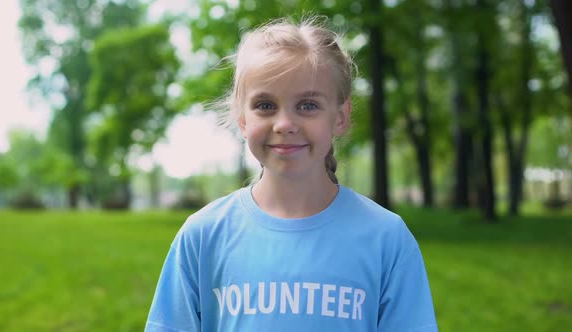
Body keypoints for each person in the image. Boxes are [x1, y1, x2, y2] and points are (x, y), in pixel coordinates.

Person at [145, 16, 437, 332]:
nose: (284, 123)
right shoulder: (203, 236)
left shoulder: (386, 238)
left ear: (340, 117)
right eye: (266, 105)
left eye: (308, 105)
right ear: (242, 119)